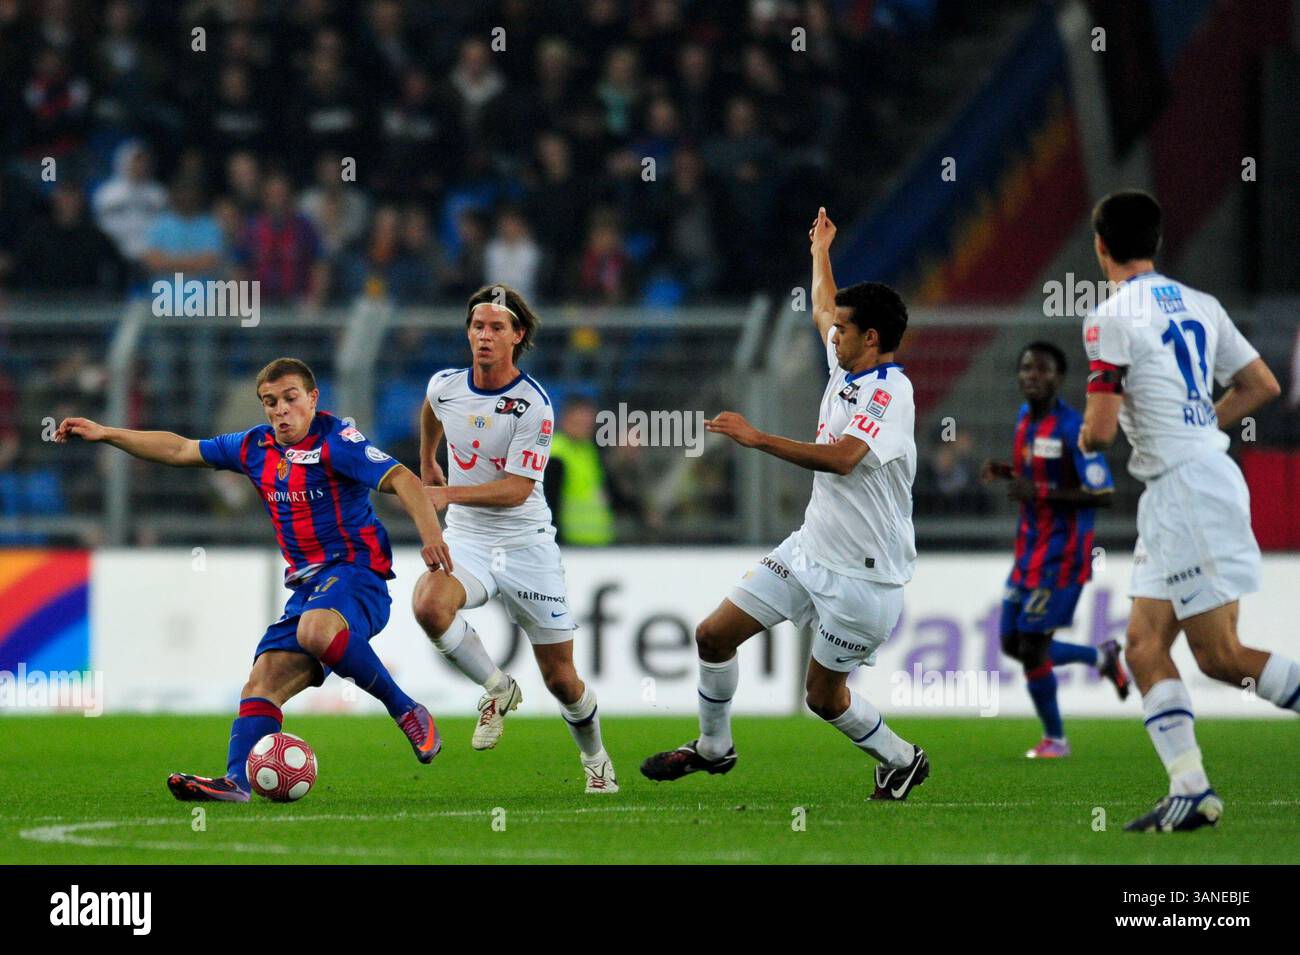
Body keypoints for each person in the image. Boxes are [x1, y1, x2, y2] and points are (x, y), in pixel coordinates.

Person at [54, 358, 452, 802]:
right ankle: (236, 782)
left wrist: (431, 536)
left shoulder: (338, 441)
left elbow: (402, 479)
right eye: (270, 402)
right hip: (309, 590)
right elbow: (181, 449)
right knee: (262, 682)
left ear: (313, 398)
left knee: (315, 629)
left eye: (290, 399)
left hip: (358, 576)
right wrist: (108, 433)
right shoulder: (254, 446)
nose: (280, 410)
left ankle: (406, 710)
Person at [641, 208, 929, 801]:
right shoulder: (847, 365)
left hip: (864, 579)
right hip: (809, 549)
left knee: (823, 699)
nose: (832, 335)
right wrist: (820, 251)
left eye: (844, 332)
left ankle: (901, 758)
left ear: (871, 338)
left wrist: (758, 437)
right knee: (713, 635)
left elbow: (845, 456)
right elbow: (826, 307)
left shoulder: (890, 394)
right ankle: (714, 748)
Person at [1079, 190, 1297, 832]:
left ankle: (1193, 789)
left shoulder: (1108, 317)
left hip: (1187, 491)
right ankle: (1191, 789)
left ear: (1100, 247)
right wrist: (1203, 421)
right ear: (1156, 242)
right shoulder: (1203, 305)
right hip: (1187, 486)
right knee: (1143, 647)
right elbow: (1262, 384)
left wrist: (1085, 441)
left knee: (1221, 658)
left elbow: (1102, 427)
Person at [411, 284, 618, 794]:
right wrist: (426, 459)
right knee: (429, 605)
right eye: (477, 326)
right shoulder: (445, 385)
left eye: (496, 327)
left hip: (526, 546)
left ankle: (596, 763)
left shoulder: (533, 406)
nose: (484, 335)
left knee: (563, 680)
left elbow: (517, 490)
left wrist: (447, 494)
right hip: (469, 540)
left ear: (517, 335)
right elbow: (431, 410)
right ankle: (497, 686)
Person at [981, 341, 1129, 759]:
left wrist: (1038, 490)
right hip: (1028, 549)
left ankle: (1056, 740)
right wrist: (1007, 471)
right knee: (1011, 643)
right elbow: (1035, 470)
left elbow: (1102, 493)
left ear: (1059, 378)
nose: (1032, 375)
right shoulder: (1024, 419)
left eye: (1042, 369)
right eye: (1026, 368)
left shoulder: (1075, 430)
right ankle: (1100, 656)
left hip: (1063, 554)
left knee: (1030, 645)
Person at [544, 396, 616, 546]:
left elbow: (606, 490)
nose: (585, 427)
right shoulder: (556, 454)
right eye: (579, 422)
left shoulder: (590, 450)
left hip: (599, 541)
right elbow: (548, 504)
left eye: (588, 423)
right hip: (569, 544)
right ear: (565, 420)